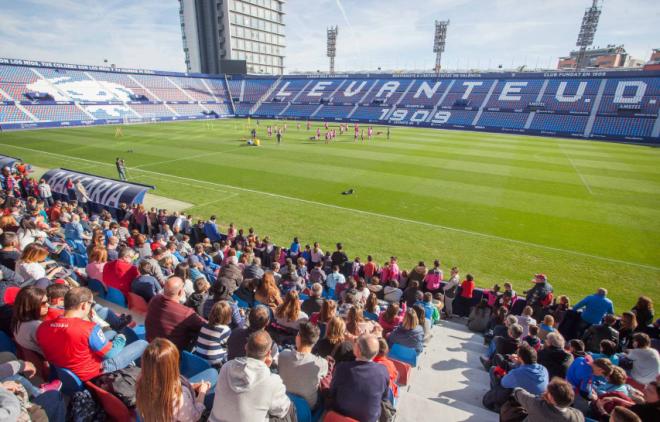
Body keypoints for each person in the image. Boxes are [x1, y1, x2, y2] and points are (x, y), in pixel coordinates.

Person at [36, 287, 148, 381]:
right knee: (142, 343)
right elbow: (111, 354)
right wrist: (121, 338)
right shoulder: (88, 328)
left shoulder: (42, 327)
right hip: (94, 371)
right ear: (84, 305)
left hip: (67, 369)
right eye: (91, 303)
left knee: (112, 332)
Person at [209, 331, 292, 422]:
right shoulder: (272, 381)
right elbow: (282, 410)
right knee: (290, 408)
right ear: (269, 353)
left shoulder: (225, 367)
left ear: (246, 346)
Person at [136, 338, 214, 422]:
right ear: (171, 365)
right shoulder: (179, 398)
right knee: (213, 374)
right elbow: (193, 417)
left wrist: (192, 385)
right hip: (186, 412)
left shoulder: (141, 381)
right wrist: (202, 392)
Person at [329, 334, 390, 422]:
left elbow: (332, 392)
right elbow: (384, 397)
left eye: (356, 343)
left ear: (358, 351)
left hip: (341, 415)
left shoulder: (342, 368)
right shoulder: (383, 371)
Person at [145, 277, 205, 351]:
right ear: (180, 292)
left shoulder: (154, 299)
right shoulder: (186, 313)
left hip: (151, 345)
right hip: (170, 353)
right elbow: (207, 326)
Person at [278, 322, 328, 409]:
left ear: (298, 338)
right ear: (315, 342)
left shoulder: (283, 355)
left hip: (283, 401)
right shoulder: (322, 363)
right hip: (307, 407)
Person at [512, 377, 585, 422]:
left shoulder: (537, 405)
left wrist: (517, 389)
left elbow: (517, 392)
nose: (545, 392)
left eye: (547, 391)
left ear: (552, 399)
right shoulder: (578, 416)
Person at [193, 301, 232, 367]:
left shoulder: (204, 325)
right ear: (227, 316)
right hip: (212, 363)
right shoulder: (225, 330)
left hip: (198, 358)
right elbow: (230, 345)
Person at [11, 286, 48, 355]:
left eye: (47, 301)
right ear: (31, 305)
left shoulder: (18, 320)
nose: (47, 305)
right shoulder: (36, 326)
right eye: (43, 303)